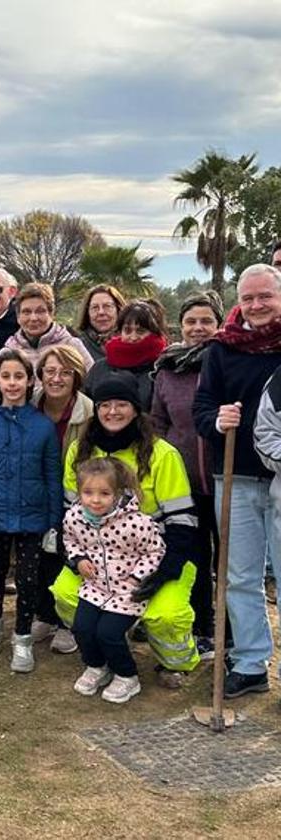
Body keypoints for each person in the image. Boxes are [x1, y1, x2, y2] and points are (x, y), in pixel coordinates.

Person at [54, 373, 200, 687]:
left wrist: (164, 572)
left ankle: (175, 663)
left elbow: (183, 521)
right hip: (97, 557)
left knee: (166, 615)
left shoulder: (162, 454)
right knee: (65, 593)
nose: (113, 412)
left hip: (154, 556)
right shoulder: (80, 450)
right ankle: (102, 652)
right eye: (105, 404)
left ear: (136, 409)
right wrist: (74, 558)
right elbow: (69, 513)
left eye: (122, 404)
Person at [195, 263, 281, 698]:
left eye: (265, 296)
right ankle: (250, 663)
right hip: (236, 475)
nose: (256, 305)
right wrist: (216, 419)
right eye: (248, 298)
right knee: (239, 577)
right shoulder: (222, 349)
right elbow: (202, 408)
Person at [0, 348, 62, 673]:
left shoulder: (43, 426)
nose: (13, 382)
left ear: (30, 380)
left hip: (32, 516)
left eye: (19, 376)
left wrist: (53, 522)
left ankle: (22, 638)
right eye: (6, 376)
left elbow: (52, 475)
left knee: (29, 579)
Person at [151, 293, 223, 659]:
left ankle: (232, 631)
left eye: (206, 321)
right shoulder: (168, 368)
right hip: (184, 485)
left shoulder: (229, 361)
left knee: (227, 560)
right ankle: (202, 626)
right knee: (193, 557)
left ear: (219, 324)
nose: (198, 328)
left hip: (227, 479)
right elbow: (159, 423)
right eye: (191, 321)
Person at [64, 458, 166, 704]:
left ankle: (127, 675)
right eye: (88, 493)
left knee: (108, 633)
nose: (95, 500)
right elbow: (70, 540)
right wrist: (78, 560)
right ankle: (97, 666)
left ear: (118, 493)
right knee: (82, 628)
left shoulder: (137, 522)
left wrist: (137, 576)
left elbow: (156, 550)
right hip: (95, 587)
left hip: (127, 592)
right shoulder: (75, 516)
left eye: (104, 493)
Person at [32, 344, 93, 655]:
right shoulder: (30, 405)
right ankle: (44, 613)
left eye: (65, 372)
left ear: (76, 376)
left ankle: (67, 623)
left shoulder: (88, 412)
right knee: (39, 555)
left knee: (68, 556)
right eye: (50, 371)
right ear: (40, 374)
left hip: (74, 498)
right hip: (36, 493)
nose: (56, 378)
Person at [0, 283, 93, 402]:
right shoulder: (7, 352)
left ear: (51, 314)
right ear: (18, 317)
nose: (33, 318)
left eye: (40, 311)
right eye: (26, 312)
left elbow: (94, 385)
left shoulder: (72, 345)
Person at [84, 300, 167, 410]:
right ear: (120, 332)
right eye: (127, 330)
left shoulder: (162, 369)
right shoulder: (99, 369)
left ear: (154, 333)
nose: (133, 337)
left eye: (140, 331)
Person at [74, 284, 128, 361]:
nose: (101, 312)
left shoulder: (133, 341)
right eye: (95, 307)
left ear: (118, 309)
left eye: (107, 306)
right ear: (87, 312)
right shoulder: (78, 347)